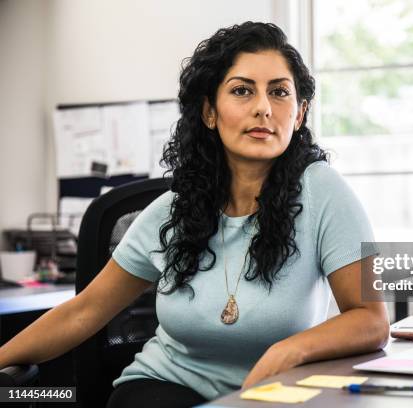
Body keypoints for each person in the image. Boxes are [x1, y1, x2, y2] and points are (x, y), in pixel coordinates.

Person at [0, 21, 389, 407]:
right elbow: (83, 312)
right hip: (162, 388)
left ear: (299, 114)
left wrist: (289, 351)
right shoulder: (171, 212)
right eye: (242, 91)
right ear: (209, 112)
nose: (263, 108)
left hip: (273, 397)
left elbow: (371, 320)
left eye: (279, 92)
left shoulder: (325, 193)